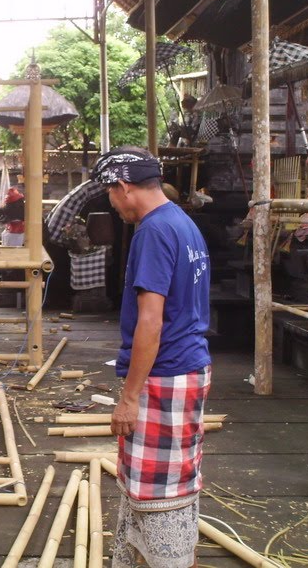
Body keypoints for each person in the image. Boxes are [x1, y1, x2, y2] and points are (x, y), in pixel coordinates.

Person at [90, 147, 211, 568]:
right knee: (174, 479)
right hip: (187, 366)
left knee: (158, 491)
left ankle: (170, 561)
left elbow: (151, 321)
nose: (112, 204)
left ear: (123, 187)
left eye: (110, 194)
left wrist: (129, 397)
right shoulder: (182, 222)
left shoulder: (153, 231)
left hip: (165, 373)